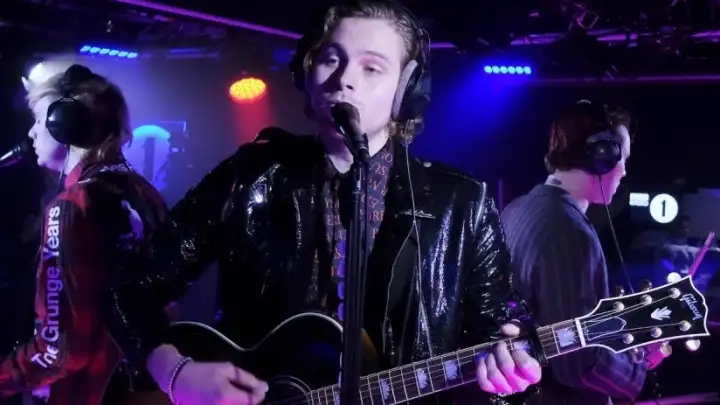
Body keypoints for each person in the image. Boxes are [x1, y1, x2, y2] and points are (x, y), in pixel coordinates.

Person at [104, 2, 542, 405]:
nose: (345, 79)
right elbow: (128, 286)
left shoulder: (462, 202)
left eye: (372, 67)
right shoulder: (250, 176)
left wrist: (515, 364)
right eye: (332, 59)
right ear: (307, 72)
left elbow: (505, 329)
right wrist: (174, 372)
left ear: (406, 91)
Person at [0, 65, 168, 405]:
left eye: (39, 120)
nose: (32, 132)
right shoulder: (147, 196)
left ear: (64, 124)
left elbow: (59, 352)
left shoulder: (72, 207)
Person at [501, 101, 667, 405]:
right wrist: (638, 367)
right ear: (601, 158)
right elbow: (578, 363)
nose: (624, 171)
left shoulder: (517, 208)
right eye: (622, 159)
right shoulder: (570, 233)